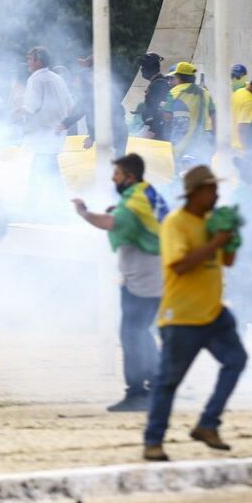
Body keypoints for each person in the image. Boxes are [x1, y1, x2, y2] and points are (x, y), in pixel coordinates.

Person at [143, 165, 245, 462]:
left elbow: (226, 261)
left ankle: (208, 423)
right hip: (183, 317)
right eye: (211, 189)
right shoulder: (176, 223)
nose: (216, 194)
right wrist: (216, 241)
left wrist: (231, 239)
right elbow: (179, 265)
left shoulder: (212, 221)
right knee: (168, 382)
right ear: (196, 193)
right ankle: (153, 442)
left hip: (213, 312)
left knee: (236, 360)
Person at [72, 153, 169, 412]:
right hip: (152, 272)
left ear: (130, 176)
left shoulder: (135, 199)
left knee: (132, 334)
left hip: (144, 276)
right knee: (141, 331)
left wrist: (84, 213)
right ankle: (160, 384)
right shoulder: (144, 193)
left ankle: (137, 393)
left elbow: (110, 222)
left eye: (117, 174)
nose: (113, 178)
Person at [19, 47, 74, 216]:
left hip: (42, 135)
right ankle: (58, 208)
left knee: (41, 170)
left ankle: (32, 209)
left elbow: (31, 107)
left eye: (30, 60)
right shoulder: (58, 79)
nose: (28, 63)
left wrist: (15, 113)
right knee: (48, 170)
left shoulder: (36, 80)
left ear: (39, 61)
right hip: (56, 134)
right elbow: (70, 105)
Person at [164, 62, 215, 170]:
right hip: (203, 140)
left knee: (181, 172)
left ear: (179, 77)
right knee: (203, 172)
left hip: (182, 139)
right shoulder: (205, 93)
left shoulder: (173, 92)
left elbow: (167, 116)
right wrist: (215, 136)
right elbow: (214, 116)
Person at [138, 52, 170, 140]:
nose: (142, 70)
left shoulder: (159, 84)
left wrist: (152, 130)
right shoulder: (157, 83)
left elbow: (160, 110)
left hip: (156, 132)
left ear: (149, 68)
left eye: (144, 67)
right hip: (153, 129)